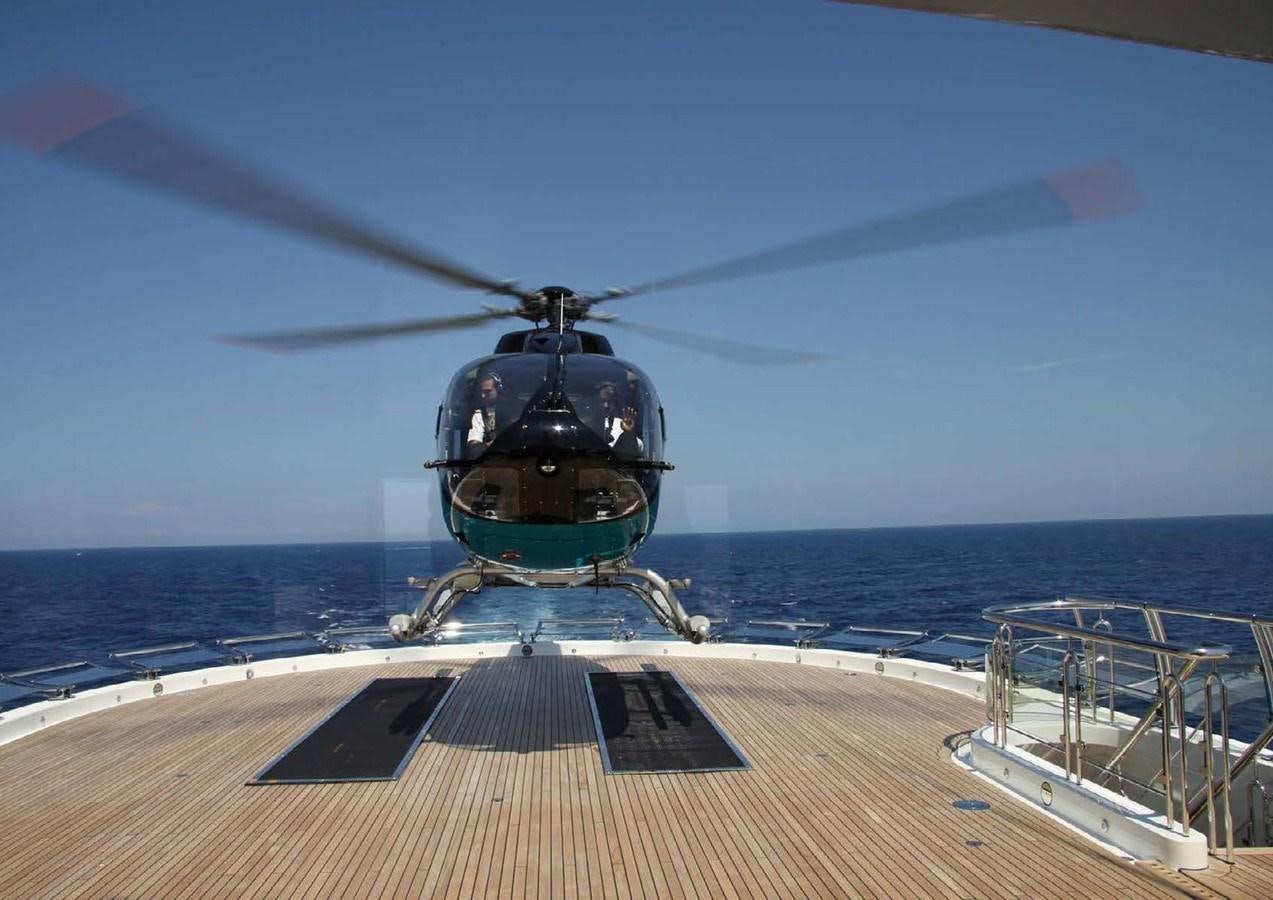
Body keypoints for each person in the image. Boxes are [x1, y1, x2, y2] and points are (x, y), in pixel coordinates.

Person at [597, 381, 643, 456]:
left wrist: (629, 433)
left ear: (615, 402)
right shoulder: (586, 422)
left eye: (610, 401)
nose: (606, 406)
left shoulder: (621, 424)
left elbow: (639, 448)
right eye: (603, 401)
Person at [467, 372, 504, 454]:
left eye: (488, 391)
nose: (483, 396)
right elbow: (474, 447)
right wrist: (490, 445)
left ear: (498, 389)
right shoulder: (479, 415)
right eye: (482, 392)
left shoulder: (512, 411)